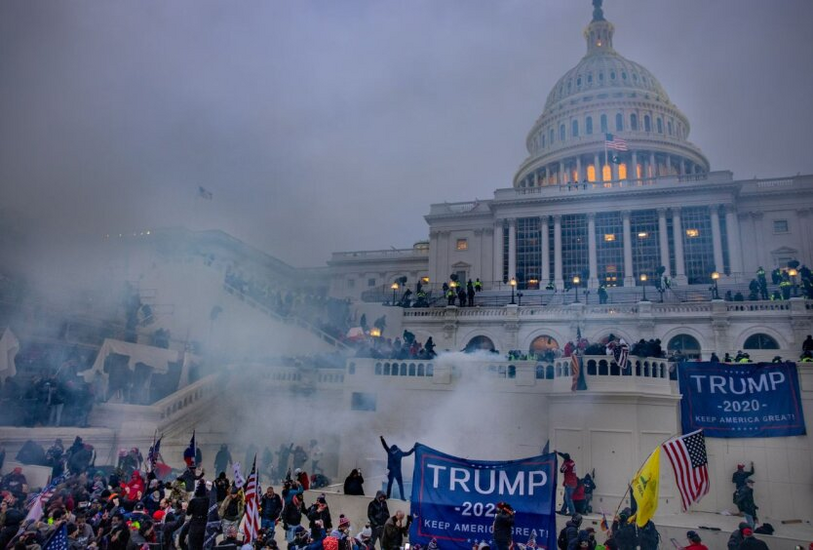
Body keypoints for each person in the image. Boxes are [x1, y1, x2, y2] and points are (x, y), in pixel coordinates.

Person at [186, 482, 210, 550]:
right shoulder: (208, 500)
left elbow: (188, 513)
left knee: (193, 544)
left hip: (195, 524)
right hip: (205, 523)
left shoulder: (193, 501)